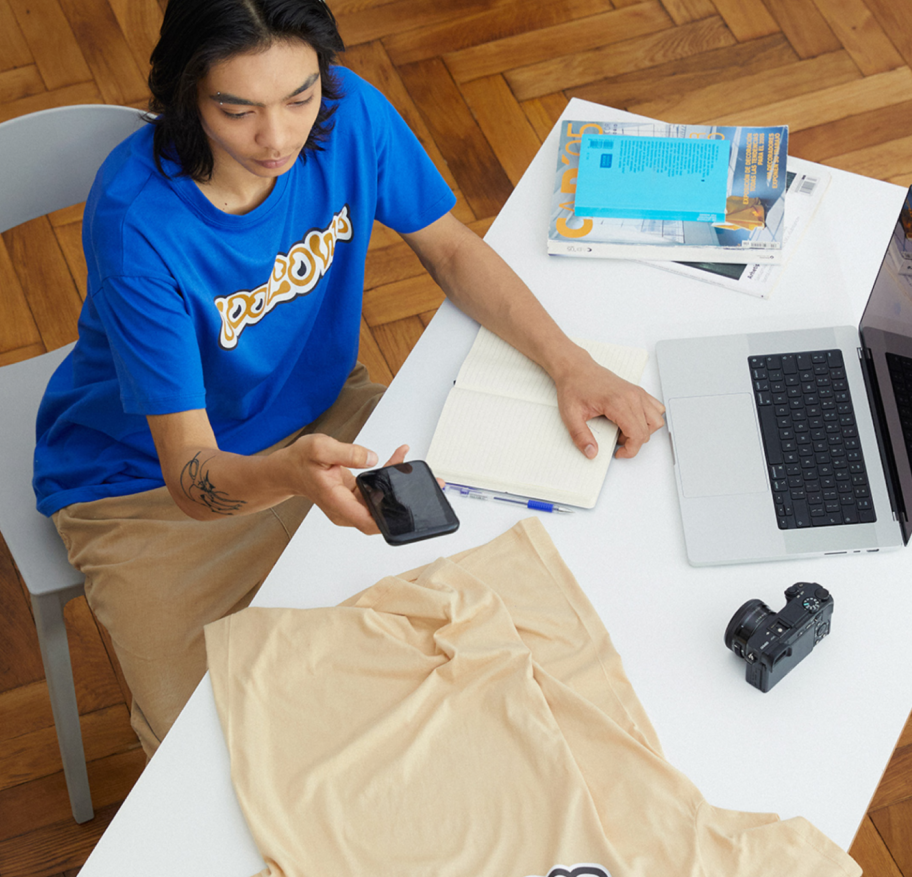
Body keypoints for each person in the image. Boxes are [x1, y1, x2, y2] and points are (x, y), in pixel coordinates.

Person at [33, 0, 665, 757]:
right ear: (186, 96)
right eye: (238, 111)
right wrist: (290, 477)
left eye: (299, 97)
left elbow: (453, 252)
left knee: (494, 634)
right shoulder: (137, 221)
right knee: (208, 748)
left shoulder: (349, 112)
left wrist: (572, 364)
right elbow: (190, 474)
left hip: (329, 418)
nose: (279, 138)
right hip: (141, 488)